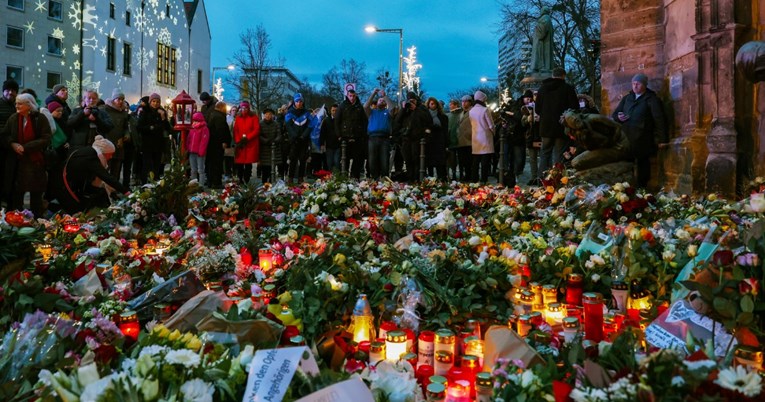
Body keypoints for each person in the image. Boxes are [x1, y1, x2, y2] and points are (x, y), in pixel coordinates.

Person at [612, 73, 667, 188]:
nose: (635, 86)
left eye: (638, 83)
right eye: (633, 83)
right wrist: (619, 117)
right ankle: (626, 188)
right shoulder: (627, 98)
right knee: (627, 163)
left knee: (643, 163)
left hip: (643, 138)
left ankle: (642, 189)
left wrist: (662, 139)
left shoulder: (651, 99)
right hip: (627, 137)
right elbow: (615, 114)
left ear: (644, 85)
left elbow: (659, 119)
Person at [1, 93, 51, 216]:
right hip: (17, 163)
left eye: (20, 103)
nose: (16, 105)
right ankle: (15, 222)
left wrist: (25, 147)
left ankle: (37, 223)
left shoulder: (40, 118)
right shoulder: (13, 118)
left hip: (35, 162)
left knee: (36, 197)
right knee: (16, 196)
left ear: (29, 105)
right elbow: (5, 134)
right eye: (16, 103)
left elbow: (46, 138)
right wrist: (13, 144)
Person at [55, 135, 129, 213]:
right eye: (110, 154)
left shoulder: (89, 152)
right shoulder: (91, 157)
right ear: (104, 152)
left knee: (100, 193)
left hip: (73, 186)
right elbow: (106, 176)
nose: (110, 157)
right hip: (66, 189)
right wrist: (126, 192)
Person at [536, 67, 579, 177]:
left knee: (545, 154)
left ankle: (542, 179)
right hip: (561, 126)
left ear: (552, 75)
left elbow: (537, 109)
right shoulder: (568, 89)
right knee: (559, 155)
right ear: (563, 76)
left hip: (546, 127)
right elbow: (575, 108)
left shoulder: (542, 89)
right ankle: (557, 180)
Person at [394, 91, 431, 182]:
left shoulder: (422, 108)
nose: (411, 103)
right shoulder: (405, 109)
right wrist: (403, 109)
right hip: (406, 138)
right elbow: (397, 121)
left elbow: (428, 120)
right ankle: (410, 178)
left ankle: (417, 178)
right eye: (410, 100)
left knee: (416, 159)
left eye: (413, 100)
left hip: (417, 138)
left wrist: (416, 109)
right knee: (407, 159)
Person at [136, 93, 171, 182]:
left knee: (157, 165)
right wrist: (150, 128)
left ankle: (155, 183)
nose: (155, 103)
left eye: (157, 102)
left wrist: (163, 117)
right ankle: (144, 183)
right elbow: (139, 127)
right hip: (147, 143)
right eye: (153, 101)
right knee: (147, 165)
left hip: (158, 143)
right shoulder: (145, 112)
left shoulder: (162, 112)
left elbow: (167, 128)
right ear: (150, 102)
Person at [335, 88, 368, 179]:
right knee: (345, 159)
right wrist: (339, 135)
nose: (352, 98)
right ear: (347, 96)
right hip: (345, 136)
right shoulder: (342, 106)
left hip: (357, 137)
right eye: (350, 96)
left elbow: (364, 121)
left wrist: (363, 135)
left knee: (357, 159)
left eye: (354, 96)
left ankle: (355, 177)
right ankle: (344, 177)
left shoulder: (359, 107)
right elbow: (337, 121)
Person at [99, 89, 130, 178]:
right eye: (118, 99)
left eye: (122, 99)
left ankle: (113, 190)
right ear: (113, 100)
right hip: (107, 144)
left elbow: (125, 128)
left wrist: (126, 135)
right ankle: (104, 190)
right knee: (105, 169)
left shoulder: (123, 113)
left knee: (116, 170)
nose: (120, 101)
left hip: (119, 145)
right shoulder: (104, 109)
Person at [364, 89, 394, 179]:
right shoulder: (372, 112)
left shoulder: (387, 112)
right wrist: (373, 93)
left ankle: (385, 178)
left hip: (384, 138)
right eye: (380, 100)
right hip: (372, 138)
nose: (382, 101)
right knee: (372, 160)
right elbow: (365, 106)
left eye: (383, 101)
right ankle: (374, 178)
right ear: (376, 102)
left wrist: (385, 96)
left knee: (384, 159)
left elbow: (392, 107)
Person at [285, 93, 312, 183]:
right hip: (294, 140)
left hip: (303, 140)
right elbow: (289, 126)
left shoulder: (306, 113)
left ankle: (301, 177)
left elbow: (310, 126)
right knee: (293, 160)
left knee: (303, 160)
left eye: (300, 101)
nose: (299, 103)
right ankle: (291, 177)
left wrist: (304, 136)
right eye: (297, 101)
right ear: (294, 102)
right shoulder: (289, 112)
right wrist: (295, 136)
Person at [469, 90, 495, 183]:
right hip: (485, 137)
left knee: (476, 161)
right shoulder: (485, 110)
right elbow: (491, 125)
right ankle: (484, 179)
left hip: (476, 137)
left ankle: (474, 179)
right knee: (485, 161)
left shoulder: (471, 111)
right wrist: (493, 132)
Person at [232, 101, 260, 185]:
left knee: (248, 163)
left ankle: (246, 179)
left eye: (245, 108)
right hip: (241, 143)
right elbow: (236, 130)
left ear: (248, 108)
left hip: (250, 143)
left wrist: (247, 138)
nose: (244, 109)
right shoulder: (238, 118)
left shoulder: (254, 117)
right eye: (242, 108)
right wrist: (238, 140)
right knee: (239, 163)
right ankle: (240, 178)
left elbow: (256, 129)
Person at [206, 101, 230, 189]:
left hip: (211, 143)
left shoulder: (212, 114)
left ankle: (210, 181)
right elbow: (221, 130)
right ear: (222, 107)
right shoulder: (219, 117)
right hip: (217, 144)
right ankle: (216, 182)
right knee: (217, 163)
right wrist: (224, 141)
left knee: (211, 163)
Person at [424, 96, 449, 180]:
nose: (433, 105)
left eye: (434, 104)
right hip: (429, 141)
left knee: (440, 162)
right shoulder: (425, 116)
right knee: (430, 162)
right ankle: (430, 178)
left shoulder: (443, 116)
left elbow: (445, 129)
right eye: (431, 104)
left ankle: (441, 178)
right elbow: (425, 128)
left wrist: (446, 142)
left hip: (439, 141)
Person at [521, 90, 542, 184]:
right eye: (534, 95)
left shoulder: (543, 107)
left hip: (541, 135)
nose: (535, 97)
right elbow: (523, 123)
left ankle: (542, 177)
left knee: (543, 158)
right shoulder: (526, 108)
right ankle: (534, 177)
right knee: (533, 159)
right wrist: (528, 119)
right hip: (531, 135)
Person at [258, 107, 282, 183]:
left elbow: (279, 134)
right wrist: (266, 141)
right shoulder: (260, 124)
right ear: (264, 115)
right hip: (264, 148)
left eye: (270, 114)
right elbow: (259, 135)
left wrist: (275, 141)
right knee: (265, 168)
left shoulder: (276, 124)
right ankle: (264, 184)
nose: (268, 116)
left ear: (272, 115)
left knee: (272, 168)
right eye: (266, 114)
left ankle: (272, 183)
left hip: (274, 148)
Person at [530, 7, 554, 73]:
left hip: (542, 42)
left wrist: (537, 27)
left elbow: (543, 31)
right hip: (543, 41)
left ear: (543, 10)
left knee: (540, 55)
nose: (540, 11)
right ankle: (540, 68)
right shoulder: (546, 18)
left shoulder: (545, 18)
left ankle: (542, 67)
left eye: (541, 10)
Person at [320, 104, 341, 172]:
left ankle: (337, 176)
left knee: (337, 161)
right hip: (329, 145)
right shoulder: (326, 120)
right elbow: (322, 132)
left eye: (336, 110)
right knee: (329, 162)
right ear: (330, 111)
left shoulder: (341, 120)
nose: (334, 112)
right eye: (333, 110)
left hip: (338, 145)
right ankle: (330, 177)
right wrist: (322, 144)